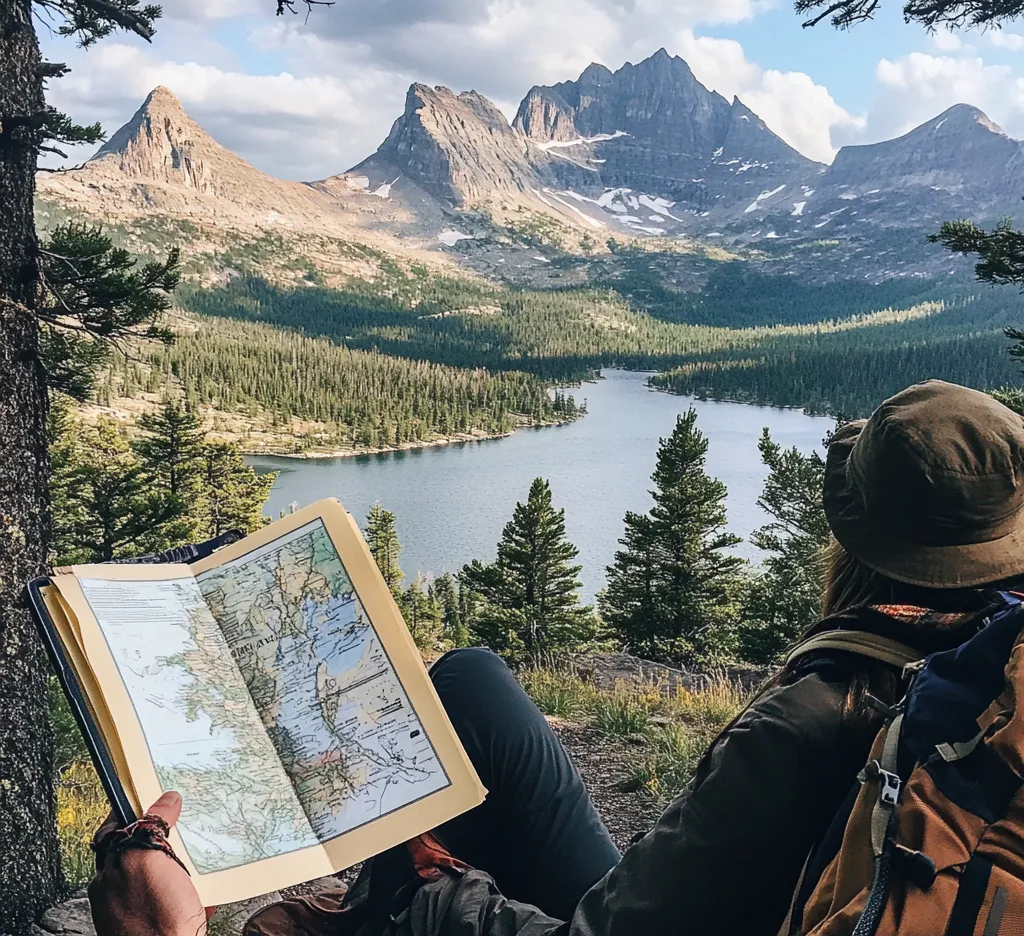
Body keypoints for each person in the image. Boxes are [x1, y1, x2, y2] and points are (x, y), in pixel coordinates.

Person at [88, 380, 1024, 936]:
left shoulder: (819, 719)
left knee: (426, 866)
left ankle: (378, 909)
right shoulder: (993, 676)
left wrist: (448, 897)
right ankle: (373, 898)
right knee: (469, 682)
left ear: (855, 541)